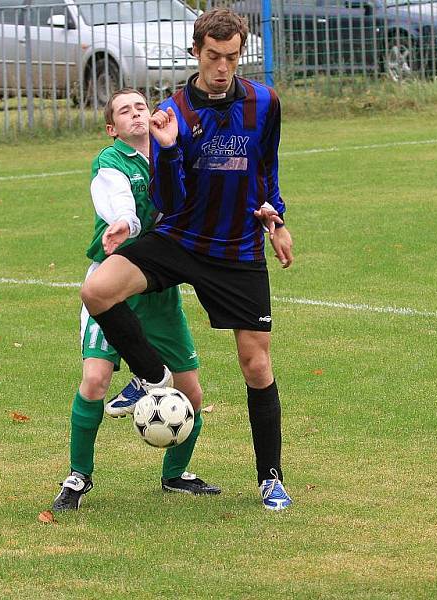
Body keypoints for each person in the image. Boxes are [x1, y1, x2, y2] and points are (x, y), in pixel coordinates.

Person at [79, 8, 295, 511]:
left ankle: (270, 477)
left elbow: (267, 169)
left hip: (237, 247)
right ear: (196, 52)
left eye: (233, 57)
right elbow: (169, 201)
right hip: (178, 238)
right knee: (98, 290)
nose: (223, 67)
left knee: (255, 364)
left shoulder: (265, 102)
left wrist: (276, 218)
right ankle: (153, 377)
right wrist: (170, 149)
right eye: (214, 56)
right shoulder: (171, 111)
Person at [53, 88, 221, 512]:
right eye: (124, 111)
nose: (135, 115)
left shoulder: (173, 152)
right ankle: (78, 476)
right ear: (113, 128)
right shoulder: (111, 162)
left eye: (141, 107)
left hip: (160, 290)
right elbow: (117, 199)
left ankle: (175, 475)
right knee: (94, 381)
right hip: (113, 286)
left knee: (192, 394)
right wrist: (124, 223)